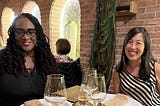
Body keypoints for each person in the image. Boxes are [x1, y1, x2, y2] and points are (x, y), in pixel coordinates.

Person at [0, 13, 57, 106]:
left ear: (38, 34)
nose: (25, 37)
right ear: (13, 35)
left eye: (31, 32)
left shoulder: (47, 59)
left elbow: (56, 93)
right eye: (19, 32)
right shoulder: (2, 59)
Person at [112, 27, 160, 105]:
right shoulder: (118, 71)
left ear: (145, 48)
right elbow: (117, 100)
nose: (133, 47)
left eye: (138, 43)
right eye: (130, 42)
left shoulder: (154, 67)